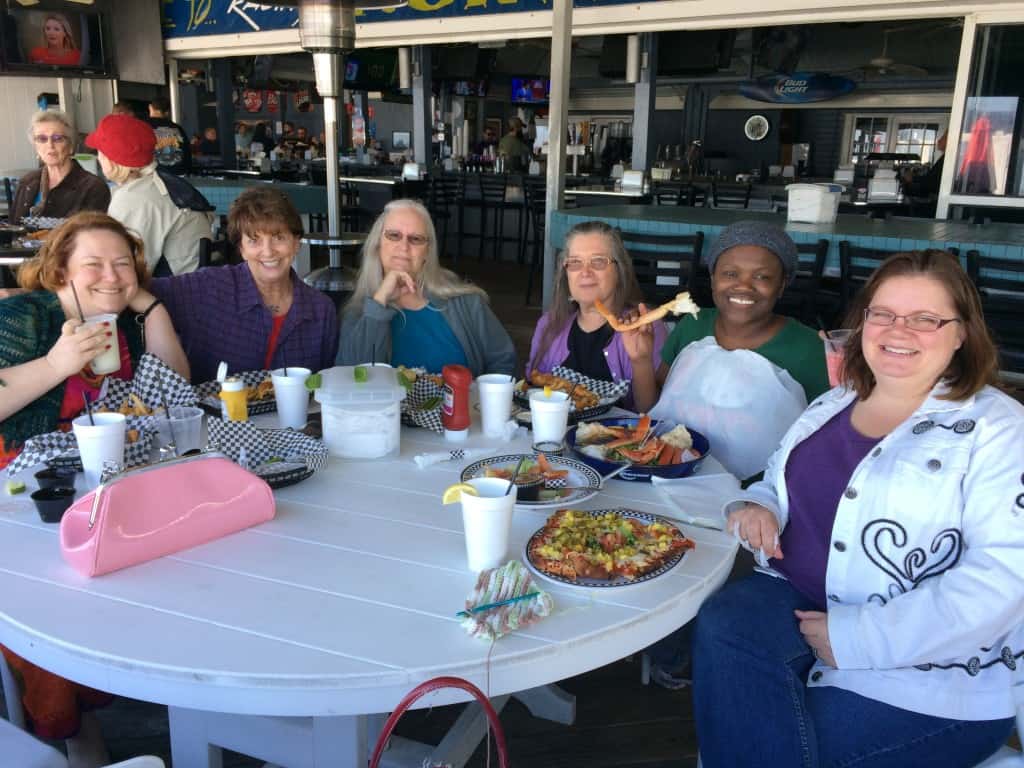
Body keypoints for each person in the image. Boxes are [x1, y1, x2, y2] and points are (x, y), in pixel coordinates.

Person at [692, 249, 1024, 768]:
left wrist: (858, 636)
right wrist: (754, 506)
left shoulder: (998, 429)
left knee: (789, 744)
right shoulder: (834, 403)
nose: (899, 330)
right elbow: (777, 486)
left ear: (962, 332)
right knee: (723, 625)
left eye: (925, 319)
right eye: (884, 314)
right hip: (794, 596)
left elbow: (1004, 579)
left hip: (935, 670)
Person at [0, 212, 188, 767]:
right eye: (93, 265)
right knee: (55, 598)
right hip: (26, 487)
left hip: (106, 480)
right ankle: (74, 731)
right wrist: (58, 364)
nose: (110, 275)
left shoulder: (123, 325)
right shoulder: (23, 318)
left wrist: (148, 306)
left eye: (122, 264)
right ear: (60, 273)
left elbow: (174, 390)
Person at [650, 221, 829, 481]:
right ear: (712, 279)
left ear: (781, 286)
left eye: (762, 276)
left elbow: (825, 442)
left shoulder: (810, 350)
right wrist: (640, 359)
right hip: (665, 475)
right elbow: (654, 407)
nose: (744, 286)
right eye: (730, 274)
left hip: (754, 499)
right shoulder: (692, 325)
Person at [149, 187, 339, 383]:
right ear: (241, 248)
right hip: (218, 413)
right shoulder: (210, 287)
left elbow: (322, 389)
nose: (268, 252)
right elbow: (138, 288)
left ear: (296, 243)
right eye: (254, 241)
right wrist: (146, 304)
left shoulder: (321, 310)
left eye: (278, 237)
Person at [338, 198, 515, 376]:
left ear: (427, 252)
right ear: (377, 245)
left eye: (415, 239)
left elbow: (504, 361)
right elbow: (350, 378)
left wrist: (483, 399)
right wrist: (380, 302)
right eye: (393, 235)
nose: (404, 246)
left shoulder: (466, 302)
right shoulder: (360, 311)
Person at [527, 220, 666, 411]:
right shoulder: (549, 325)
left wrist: (640, 362)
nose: (585, 272)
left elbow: (649, 414)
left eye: (598, 261)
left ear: (620, 270)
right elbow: (531, 393)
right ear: (565, 274)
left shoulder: (645, 326)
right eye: (575, 262)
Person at [85, 113, 215, 277]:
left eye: (100, 152)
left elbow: (125, 272)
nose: (98, 158)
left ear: (111, 160)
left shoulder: (134, 198)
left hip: (173, 295)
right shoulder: (161, 183)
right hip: (194, 287)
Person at [11, 110, 110, 223]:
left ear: (71, 146)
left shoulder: (93, 188)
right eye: (42, 139)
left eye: (58, 138)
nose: (50, 145)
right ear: (36, 147)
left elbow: (89, 235)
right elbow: (13, 228)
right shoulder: (26, 182)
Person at [147, 96, 192, 176]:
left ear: (150, 107)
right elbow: (187, 154)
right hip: (178, 174)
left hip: (154, 175)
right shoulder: (178, 129)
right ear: (168, 112)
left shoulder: (143, 127)